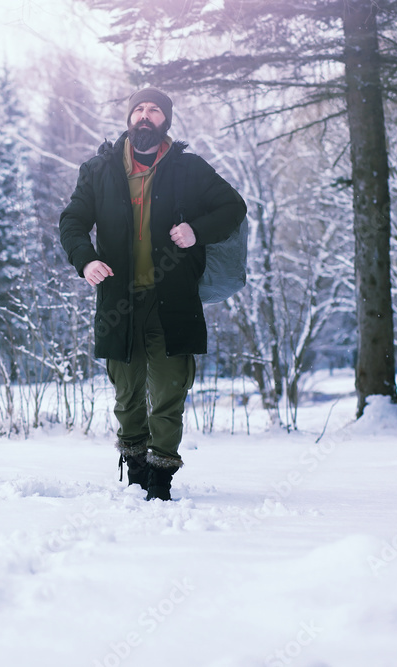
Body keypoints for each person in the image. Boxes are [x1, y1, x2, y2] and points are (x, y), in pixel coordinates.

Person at [59, 87, 247, 501]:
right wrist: (85, 260)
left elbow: (233, 207)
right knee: (126, 394)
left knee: (169, 390)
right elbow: (72, 221)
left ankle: (161, 480)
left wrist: (197, 230)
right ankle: (137, 470)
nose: (145, 116)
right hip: (118, 301)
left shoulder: (189, 169)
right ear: (128, 118)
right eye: (139, 109)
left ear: (166, 120)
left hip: (173, 300)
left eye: (155, 111)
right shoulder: (98, 169)